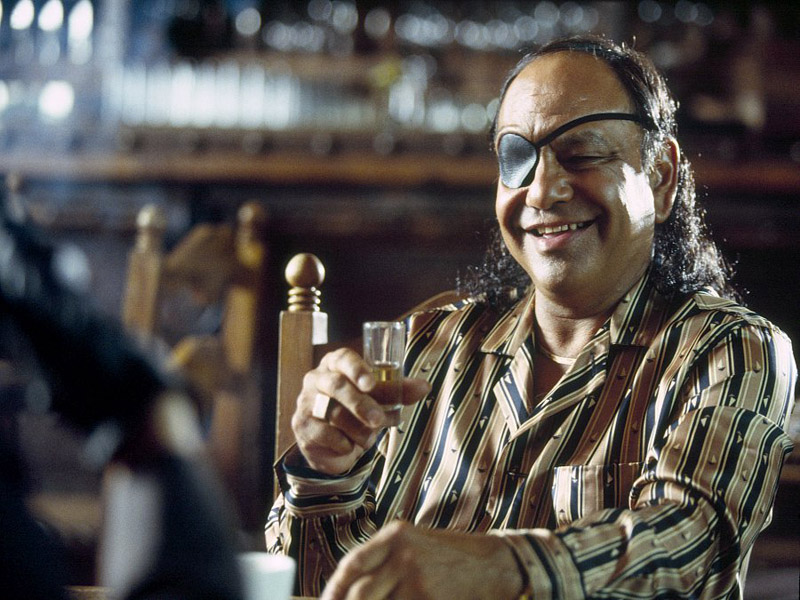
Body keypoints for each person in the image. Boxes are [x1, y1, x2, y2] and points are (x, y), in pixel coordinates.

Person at [265, 35, 796, 600]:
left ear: (661, 176)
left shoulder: (733, 350)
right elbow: (307, 584)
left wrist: (502, 565)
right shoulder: (425, 346)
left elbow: (690, 541)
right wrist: (326, 475)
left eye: (582, 154)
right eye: (517, 158)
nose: (542, 191)